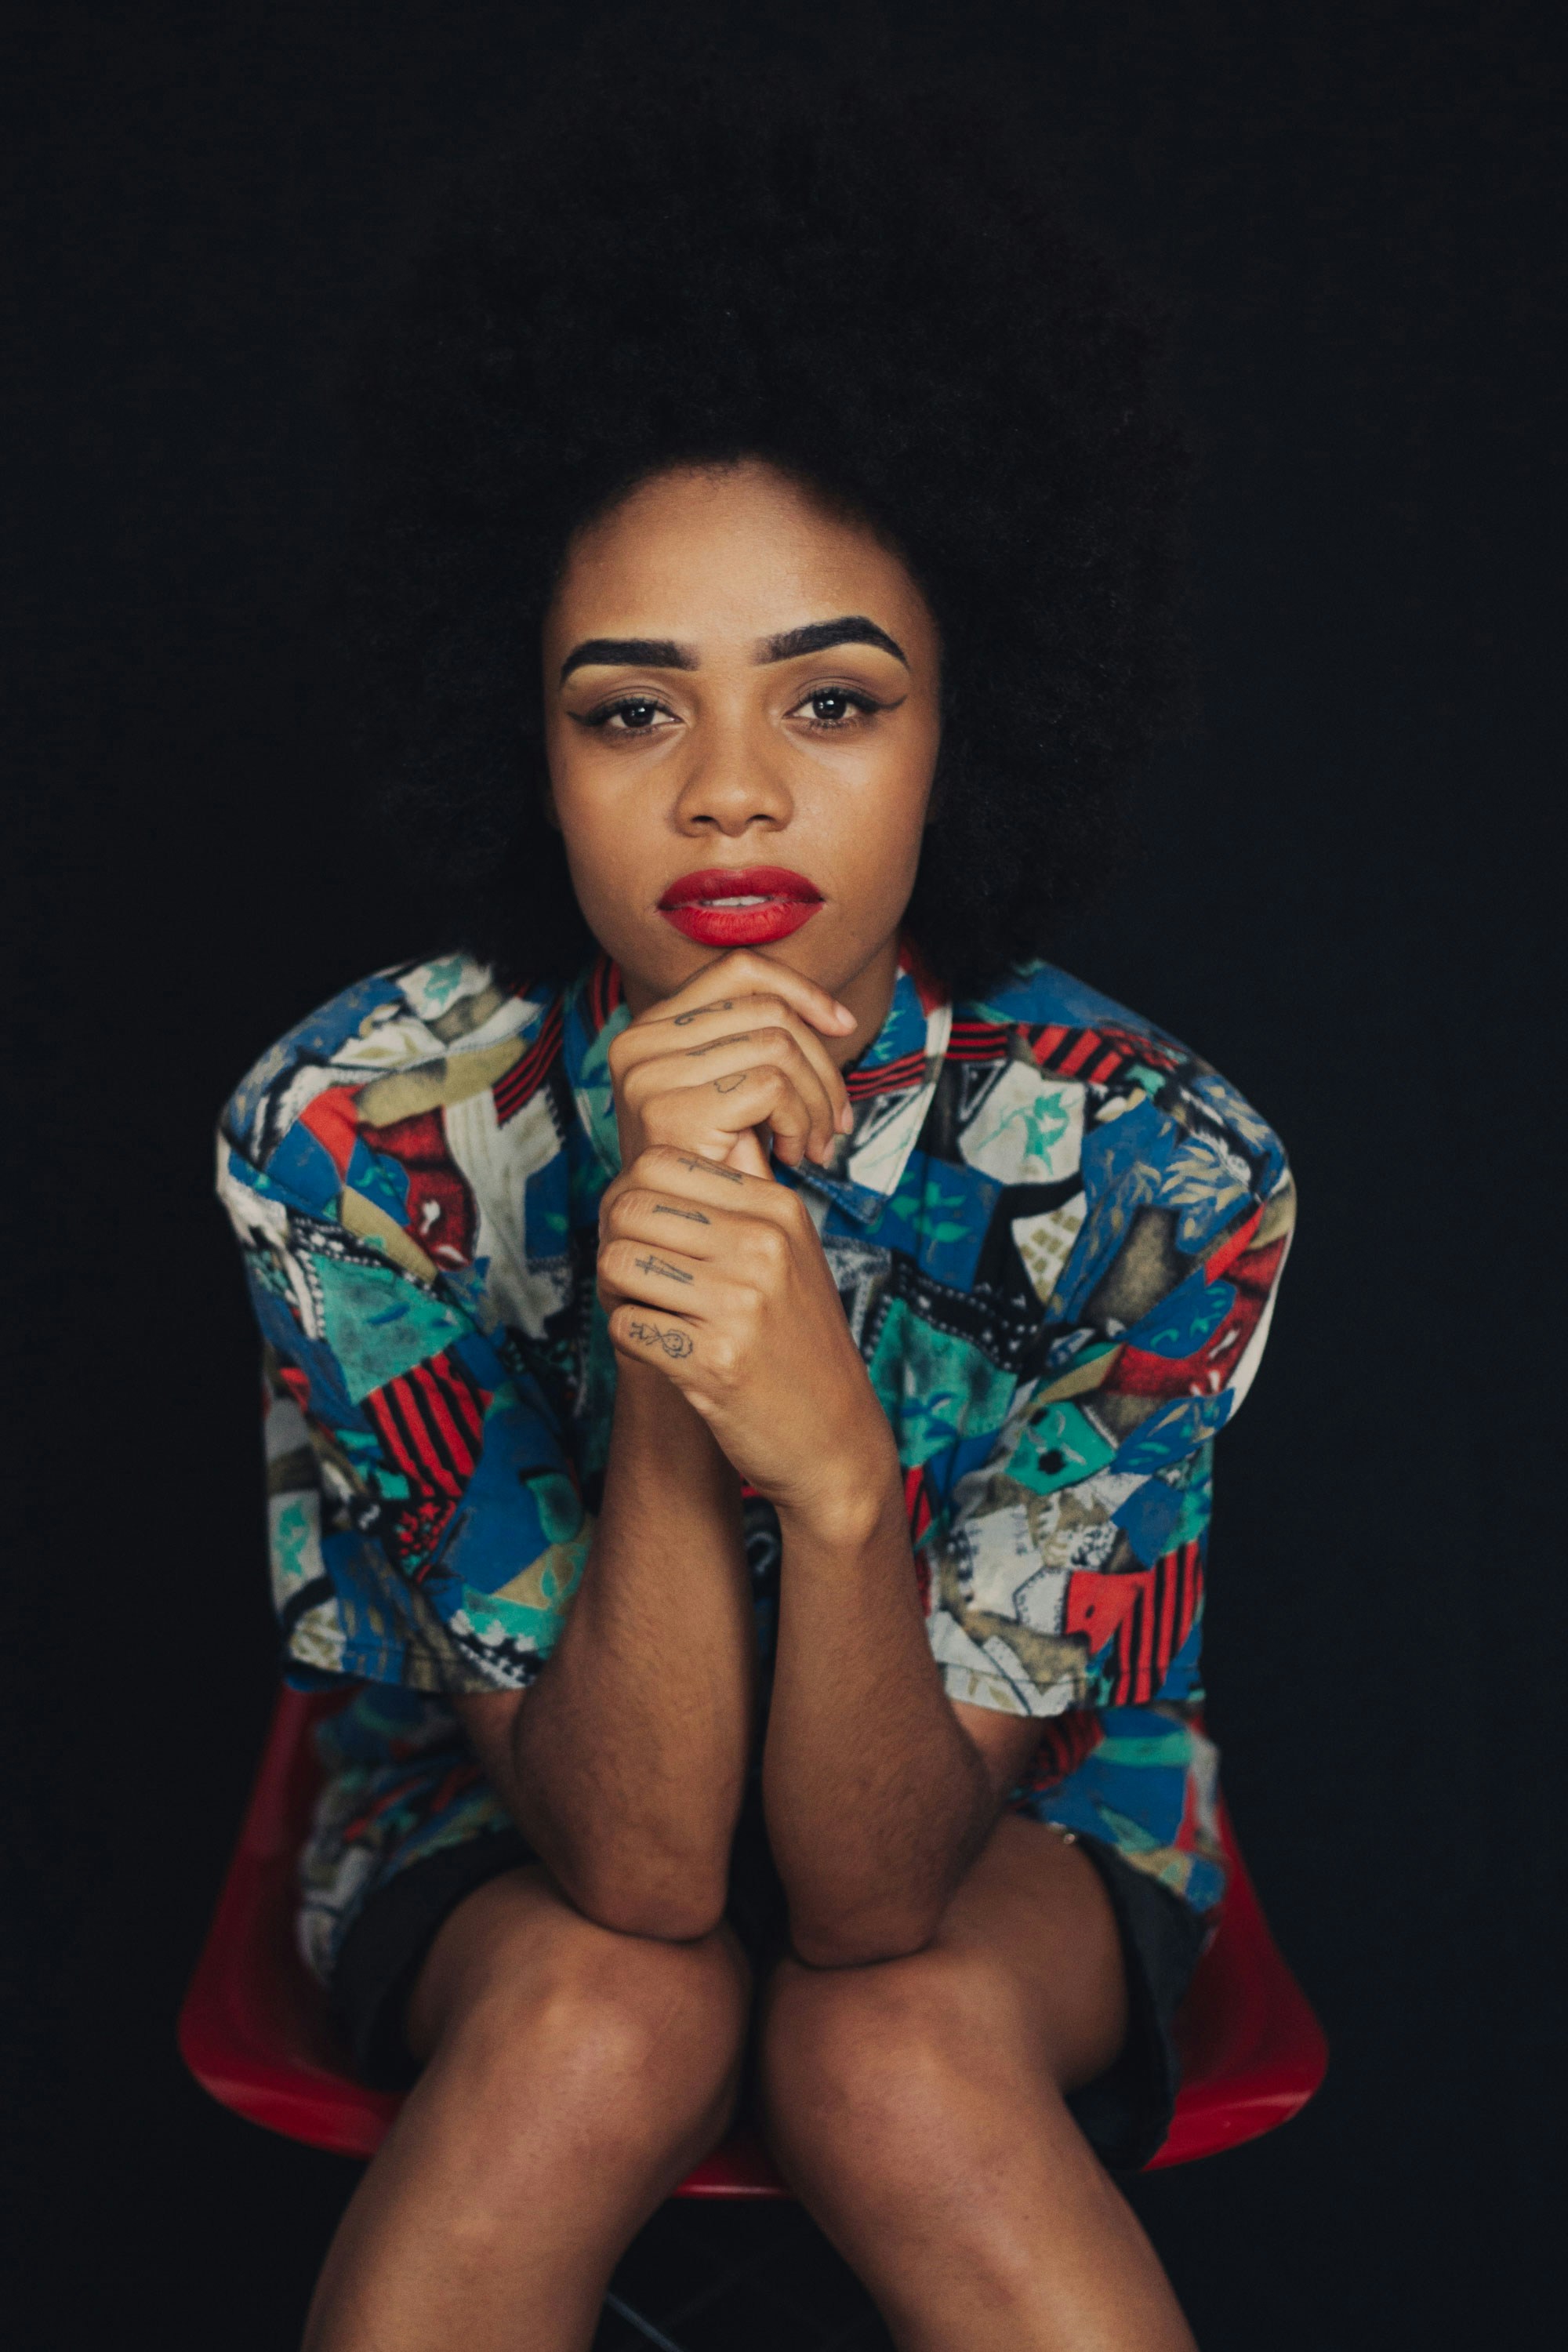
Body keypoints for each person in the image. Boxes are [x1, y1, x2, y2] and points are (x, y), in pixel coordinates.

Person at [217, 41, 1294, 2351]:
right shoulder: (352, 1131)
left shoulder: (1157, 1173)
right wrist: (686, 1351)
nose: (727, 800)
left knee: (886, 2050)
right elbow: (635, 1867)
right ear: (522, 733)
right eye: (630, 711)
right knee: (611, 2009)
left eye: (830, 704)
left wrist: (838, 1468)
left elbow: (870, 1900)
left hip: (1007, 1832)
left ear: (963, 722)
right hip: (489, 1818)